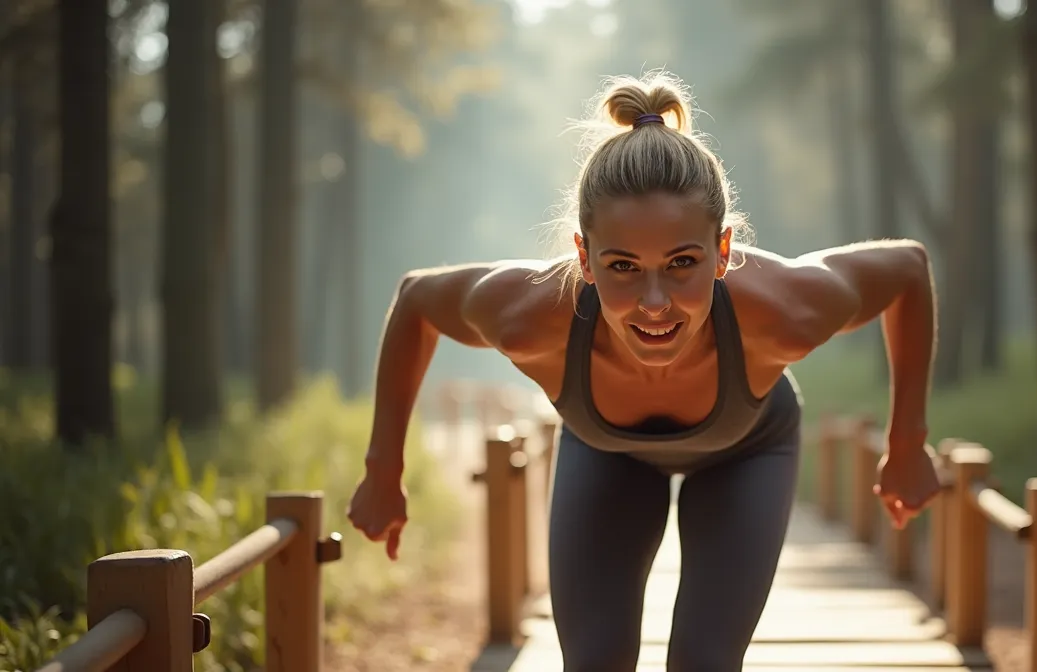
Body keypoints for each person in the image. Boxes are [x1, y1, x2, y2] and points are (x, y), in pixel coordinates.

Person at [347, 71, 942, 671]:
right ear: (584, 257)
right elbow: (418, 300)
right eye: (623, 266)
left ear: (724, 250)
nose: (654, 301)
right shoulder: (531, 317)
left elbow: (907, 270)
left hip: (749, 447)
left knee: (703, 663)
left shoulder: (786, 312)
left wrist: (908, 442)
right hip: (607, 451)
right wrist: (382, 469)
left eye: (683, 262)